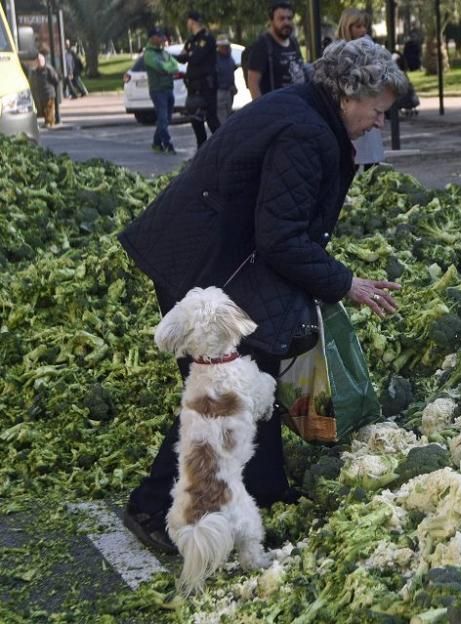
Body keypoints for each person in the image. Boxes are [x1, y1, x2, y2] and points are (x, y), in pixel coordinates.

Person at [118, 37, 409, 555]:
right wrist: (347, 283)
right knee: (224, 390)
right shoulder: (307, 132)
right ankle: (151, 507)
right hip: (198, 261)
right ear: (348, 94)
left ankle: (266, 488)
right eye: (377, 111)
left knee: (261, 365)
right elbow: (282, 237)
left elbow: (278, 228)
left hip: (219, 256)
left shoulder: (306, 111)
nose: (379, 123)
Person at [336, 8, 384, 170]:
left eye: (364, 26)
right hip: (350, 108)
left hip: (368, 103)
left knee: (372, 158)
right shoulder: (339, 50)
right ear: (347, 28)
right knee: (350, 157)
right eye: (357, 27)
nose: (363, 30)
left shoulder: (371, 46)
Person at [246, 2, 306, 100]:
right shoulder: (262, 45)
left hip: (295, 105)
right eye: (281, 18)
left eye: (289, 18)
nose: (286, 22)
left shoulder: (293, 42)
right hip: (274, 108)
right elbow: (253, 83)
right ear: (271, 20)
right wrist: (262, 109)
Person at [178, 11, 219, 148]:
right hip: (193, 86)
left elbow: (196, 58)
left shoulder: (207, 38)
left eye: (188, 21)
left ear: (192, 21)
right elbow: (183, 58)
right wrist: (189, 54)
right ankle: (201, 149)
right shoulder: (191, 40)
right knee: (195, 120)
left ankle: (222, 147)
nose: (187, 24)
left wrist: (190, 54)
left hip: (207, 85)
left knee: (212, 120)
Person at [144, 27, 179, 153]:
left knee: (166, 119)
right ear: (152, 38)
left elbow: (175, 66)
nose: (162, 39)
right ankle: (167, 143)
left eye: (162, 36)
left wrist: (168, 68)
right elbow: (161, 68)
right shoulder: (149, 54)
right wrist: (168, 68)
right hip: (158, 90)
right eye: (159, 36)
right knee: (163, 118)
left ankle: (156, 143)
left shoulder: (164, 53)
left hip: (168, 88)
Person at [29, 50, 59, 127]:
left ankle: (50, 122)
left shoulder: (48, 69)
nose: (39, 62)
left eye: (40, 61)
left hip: (49, 92)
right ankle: (47, 122)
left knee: (49, 108)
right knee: (44, 109)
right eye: (38, 61)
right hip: (41, 93)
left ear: (43, 61)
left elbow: (55, 79)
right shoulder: (36, 71)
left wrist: (53, 87)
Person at [215, 37, 238, 124]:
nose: (225, 48)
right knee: (222, 117)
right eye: (223, 46)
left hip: (229, 90)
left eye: (226, 46)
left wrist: (233, 85)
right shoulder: (216, 59)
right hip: (220, 90)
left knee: (228, 114)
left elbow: (231, 72)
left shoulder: (229, 57)